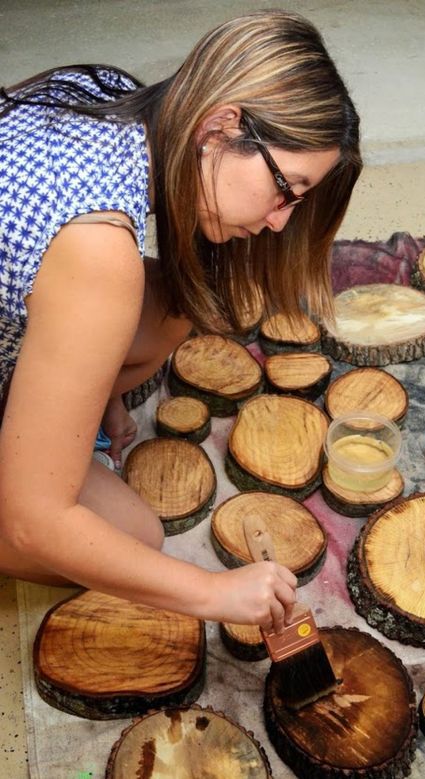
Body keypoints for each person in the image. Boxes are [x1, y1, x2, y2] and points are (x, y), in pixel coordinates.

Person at [0, 10, 362, 632]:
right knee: (129, 535)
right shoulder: (95, 247)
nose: (279, 222)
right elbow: (33, 523)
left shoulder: (114, 99)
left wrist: (87, 391)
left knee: (176, 302)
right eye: (285, 188)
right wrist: (211, 593)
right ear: (221, 126)